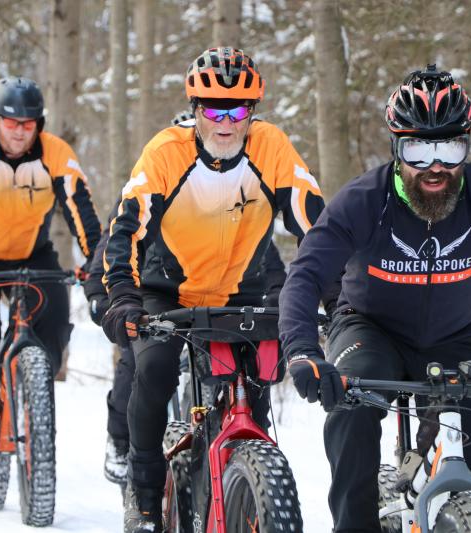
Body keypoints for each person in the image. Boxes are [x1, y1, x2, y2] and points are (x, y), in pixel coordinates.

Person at [278, 65, 471, 532]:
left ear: (465, 146)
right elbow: (306, 274)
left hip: (452, 339)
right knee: (353, 406)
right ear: (397, 149)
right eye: (418, 149)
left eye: (449, 148)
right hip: (370, 330)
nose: (435, 167)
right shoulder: (364, 200)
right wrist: (301, 352)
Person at [100, 47, 325, 533]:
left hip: (244, 292)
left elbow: (317, 226)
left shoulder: (272, 148)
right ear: (196, 109)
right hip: (169, 293)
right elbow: (126, 229)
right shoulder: (166, 152)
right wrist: (122, 294)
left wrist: (340, 298)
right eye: (213, 109)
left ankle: (251, 492)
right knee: (155, 368)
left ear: (253, 112)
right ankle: (142, 499)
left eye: (238, 110)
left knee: (258, 384)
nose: (226, 123)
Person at [84, 110, 289, 488]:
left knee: (248, 377)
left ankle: (245, 480)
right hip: (160, 297)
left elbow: (269, 263)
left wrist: (280, 301)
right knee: (140, 364)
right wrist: (104, 295)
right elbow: (111, 246)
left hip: (223, 302)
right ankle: (123, 443)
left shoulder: (238, 208)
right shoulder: (157, 181)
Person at [0, 76, 102, 474]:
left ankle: (32, 396)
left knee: (56, 318)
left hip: (33, 254)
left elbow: (81, 210)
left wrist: (98, 261)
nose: (19, 132)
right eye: (11, 123)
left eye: (28, 125)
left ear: (38, 125)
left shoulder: (56, 154)